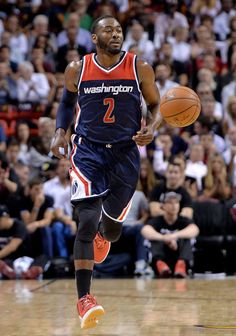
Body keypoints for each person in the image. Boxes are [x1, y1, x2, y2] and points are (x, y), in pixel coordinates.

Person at [50, 15, 162, 329]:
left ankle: (104, 234)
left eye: (118, 30)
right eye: (107, 30)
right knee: (85, 219)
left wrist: (151, 127)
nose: (115, 33)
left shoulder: (140, 67)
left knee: (111, 230)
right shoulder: (78, 68)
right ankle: (85, 297)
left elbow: (156, 107)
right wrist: (61, 131)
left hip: (125, 154)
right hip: (87, 151)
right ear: (95, 38)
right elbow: (65, 101)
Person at [141, 192, 199, 278]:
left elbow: (195, 229)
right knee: (154, 238)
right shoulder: (157, 220)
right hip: (162, 256)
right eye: (170, 202)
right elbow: (145, 230)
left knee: (187, 238)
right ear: (163, 205)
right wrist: (164, 238)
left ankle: (181, 265)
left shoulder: (183, 220)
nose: (174, 205)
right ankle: (161, 265)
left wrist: (174, 236)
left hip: (179, 255)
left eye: (176, 202)